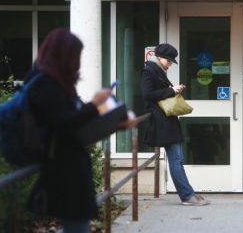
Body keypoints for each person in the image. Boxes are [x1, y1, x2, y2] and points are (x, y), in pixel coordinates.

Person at [26, 28, 135, 233]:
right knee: (76, 227)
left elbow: (80, 125)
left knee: (77, 227)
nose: (76, 63)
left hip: (72, 167)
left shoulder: (60, 83)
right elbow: (64, 123)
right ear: (62, 56)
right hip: (62, 170)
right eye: (74, 56)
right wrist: (95, 104)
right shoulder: (43, 84)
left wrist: (116, 124)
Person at [141, 43, 210, 206]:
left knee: (177, 158)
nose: (170, 64)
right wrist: (172, 91)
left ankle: (189, 193)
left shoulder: (157, 70)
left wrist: (173, 90)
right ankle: (187, 196)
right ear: (160, 58)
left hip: (167, 120)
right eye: (169, 61)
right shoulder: (149, 70)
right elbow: (147, 94)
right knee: (176, 158)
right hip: (162, 121)